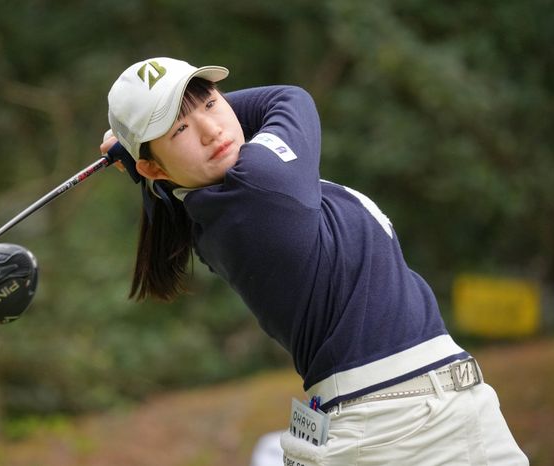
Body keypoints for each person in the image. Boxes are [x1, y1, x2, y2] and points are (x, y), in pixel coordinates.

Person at [100, 57, 528, 465]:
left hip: (379, 421)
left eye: (212, 102)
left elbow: (174, 178)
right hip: (412, 424)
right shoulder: (261, 185)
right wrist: (142, 149)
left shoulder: (201, 213)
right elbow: (288, 98)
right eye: (180, 130)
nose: (212, 130)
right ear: (154, 171)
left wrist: (151, 148)